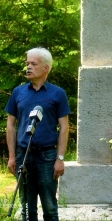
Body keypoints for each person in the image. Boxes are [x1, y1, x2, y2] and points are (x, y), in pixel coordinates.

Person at [5, 47, 70, 221]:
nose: (28, 67)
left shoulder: (58, 94)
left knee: (49, 207)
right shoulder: (18, 92)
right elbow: (10, 125)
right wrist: (12, 156)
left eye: (33, 64)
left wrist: (60, 159)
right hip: (22, 155)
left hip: (47, 157)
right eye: (27, 63)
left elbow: (64, 127)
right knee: (27, 209)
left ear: (45, 68)